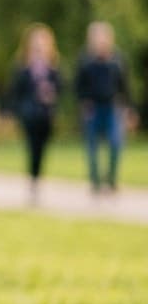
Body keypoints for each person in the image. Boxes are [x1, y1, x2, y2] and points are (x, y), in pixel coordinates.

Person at [75, 21, 130, 193]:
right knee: (92, 146)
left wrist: (128, 107)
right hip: (93, 108)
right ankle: (95, 181)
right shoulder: (85, 61)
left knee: (116, 143)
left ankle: (111, 179)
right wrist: (84, 101)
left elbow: (125, 86)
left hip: (112, 106)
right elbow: (78, 86)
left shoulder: (117, 60)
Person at [9, 24, 62, 199]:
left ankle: (37, 177)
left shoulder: (53, 68)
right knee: (32, 147)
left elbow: (62, 88)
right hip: (29, 114)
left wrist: (51, 95)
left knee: (42, 148)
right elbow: (16, 91)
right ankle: (33, 180)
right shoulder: (23, 68)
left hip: (46, 115)